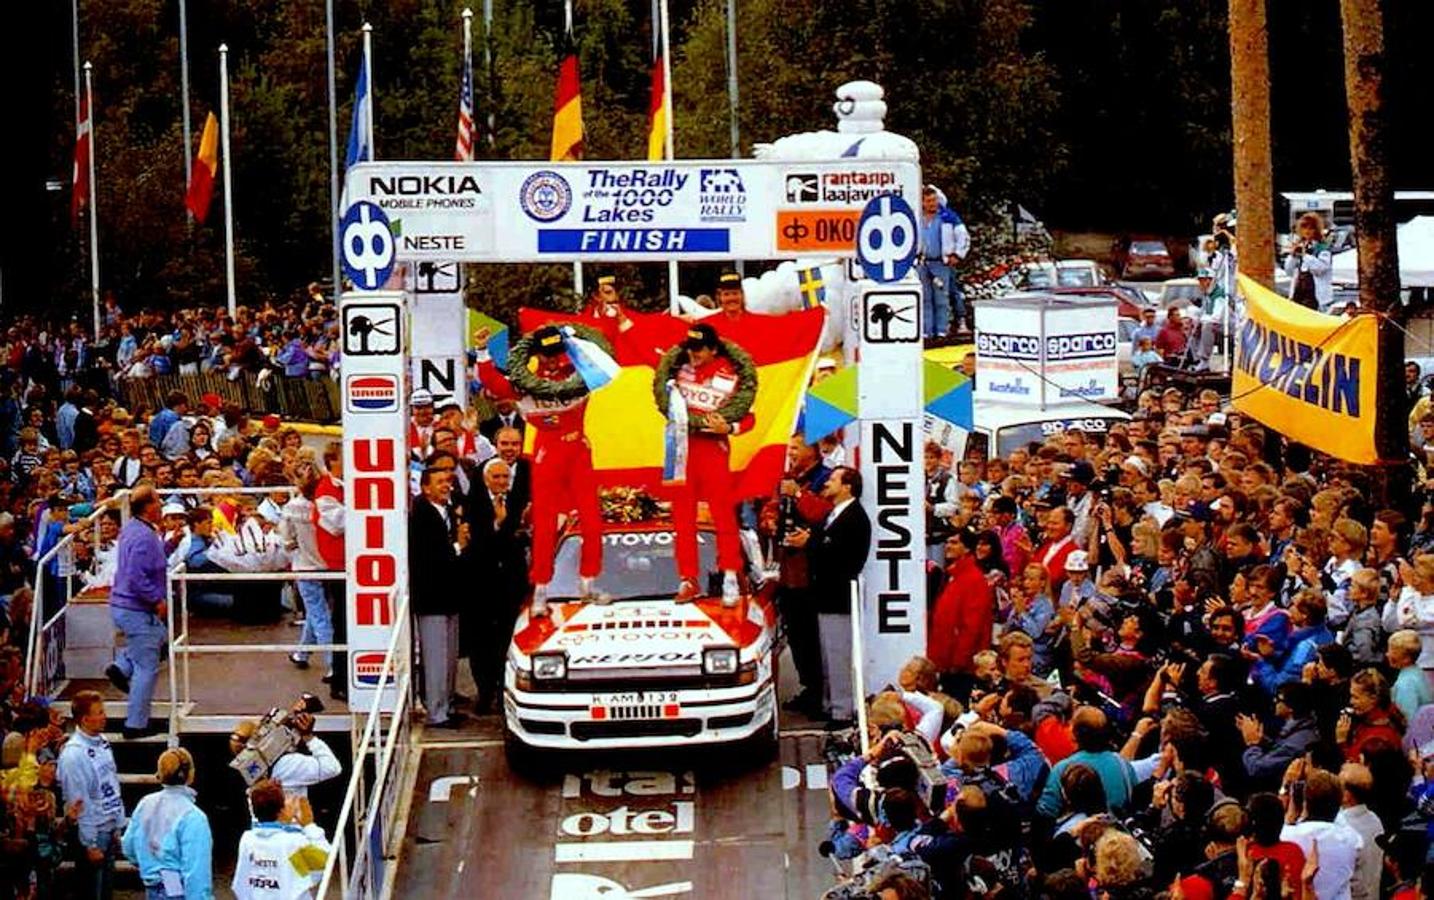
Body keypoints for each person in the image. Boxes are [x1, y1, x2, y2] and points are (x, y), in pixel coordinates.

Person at [473, 324, 604, 614]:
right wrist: (482, 352)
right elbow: (495, 384)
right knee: (544, 523)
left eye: (557, 351)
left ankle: (588, 582)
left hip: (578, 448)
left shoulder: (578, 370)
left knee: (592, 518)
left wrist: (578, 336)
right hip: (548, 450)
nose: (553, 359)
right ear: (537, 354)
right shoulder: (525, 379)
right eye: (548, 354)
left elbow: (605, 363)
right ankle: (541, 590)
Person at [656, 322, 755, 605]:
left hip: (713, 451)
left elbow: (750, 416)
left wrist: (731, 428)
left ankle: (730, 577)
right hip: (681, 451)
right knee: (682, 518)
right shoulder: (677, 371)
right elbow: (661, 392)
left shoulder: (730, 373)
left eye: (699, 349)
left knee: (723, 515)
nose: (693, 354)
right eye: (690, 348)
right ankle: (688, 578)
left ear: (713, 350)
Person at [784, 467, 871, 725]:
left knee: (838, 655)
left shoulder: (855, 517)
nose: (827, 484)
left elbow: (842, 556)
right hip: (823, 596)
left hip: (838, 598)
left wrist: (809, 544)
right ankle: (829, 704)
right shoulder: (834, 514)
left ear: (847, 487)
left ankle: (842, 711)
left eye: (833, 480)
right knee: (826, 656)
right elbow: (823, 539)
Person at [462, 458, 527, 714]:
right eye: (497, 477)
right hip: (482, 584)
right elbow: (480, 544)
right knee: (481, 643)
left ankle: (503, 692)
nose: (501, 482)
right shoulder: (473, 503)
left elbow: (518, 541)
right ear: (486, 479)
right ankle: (484, 692)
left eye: (505, 478)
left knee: (506, 640)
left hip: (511, 584)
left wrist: (511, 528)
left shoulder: (518, 502)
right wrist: (503, 525)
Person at [105, 485, 168, 739]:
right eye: (158, 503)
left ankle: (121, 666)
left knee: (160, 637)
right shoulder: (143, 536)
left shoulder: (131, 529)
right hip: (137, 608)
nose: (161, 507)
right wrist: (156, 600)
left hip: (124, 605)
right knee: (147, 666)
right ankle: (136, 724)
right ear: (148, 507)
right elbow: (136, 576)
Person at [410, 466, 469, 729]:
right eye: (440, 482)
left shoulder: (448, 511)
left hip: (451, 595)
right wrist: (458, 545)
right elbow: (431, 557)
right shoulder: (420, 514)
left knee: (449, 657)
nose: (447, 485)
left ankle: (447, 705)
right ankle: (436, 712)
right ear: (425, 487)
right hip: (431, 597)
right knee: (435, 657)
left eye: (449, 481)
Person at [58, 690, 126, 900]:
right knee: (90, 893)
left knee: (106, 893)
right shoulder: (73, 755)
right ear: (85, 719)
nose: (105, 716)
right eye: (100, 712)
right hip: (92, 834)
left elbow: (112, 783)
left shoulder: (103, 743)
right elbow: (79, 801)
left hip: (108, 827)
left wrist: (118, 823)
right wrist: (90, 844)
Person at [121, 747, 213, 899]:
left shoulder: (146, 803)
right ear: (190, 774)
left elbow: (129, 847)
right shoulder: (193, 816)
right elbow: (196, 873)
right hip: (178, 890)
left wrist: (150, 863)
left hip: (152, 887)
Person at [231, 779, 331, 900]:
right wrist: (309, 825)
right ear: (282, 810)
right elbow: (324, 863)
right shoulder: (293, 842)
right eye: (287, 799)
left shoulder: (247, 839)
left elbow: (240, 884)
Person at [1284, 212, 1334, 311]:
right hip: (1298, 296)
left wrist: (1305, 255)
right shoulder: (1299, 245)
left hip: (1316, 298)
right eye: (1304, 228)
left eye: (1311, 228)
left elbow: (1320, 269)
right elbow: (1289, 271)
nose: (1307, 231)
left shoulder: (1322, 248)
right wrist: (1293, 256)